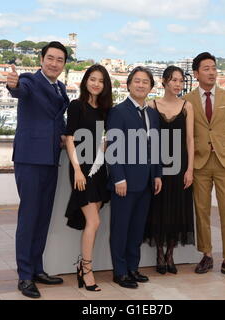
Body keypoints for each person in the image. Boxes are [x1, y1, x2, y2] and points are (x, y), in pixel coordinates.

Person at [6, 41, 70, 298]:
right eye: (50, 58)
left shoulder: (61, 87)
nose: (54, 63)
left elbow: (59, 121)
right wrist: (13, 84)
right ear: (42, 59)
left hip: (50, 159)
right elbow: (20, 89)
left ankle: (37, 268)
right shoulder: (30, 81)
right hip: (30, 159)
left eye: (59, 60)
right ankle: (24, 276)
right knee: (29, 217)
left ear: (64, 65)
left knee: (43, 217)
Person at [183, 52, 225, 281]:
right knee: (202, 211)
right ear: (196, 73)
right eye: (206, 68)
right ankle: (206, 255)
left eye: (214, 67)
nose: (212, 72)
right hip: (199, 163)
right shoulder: (187, 100)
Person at [106, 66, 162, 289]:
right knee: (120, 229)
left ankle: (132, 268)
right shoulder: (118, 112)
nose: (141, 85)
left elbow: (155, 147)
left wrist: (157, 174)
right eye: (137, 81)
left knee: (137, 228)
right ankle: (120, 272)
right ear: (128, 84)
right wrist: (118, 178)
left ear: (150, 87)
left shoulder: (152, 114)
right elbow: (113, 148)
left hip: (147, 182)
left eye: (145, 82)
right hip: (125, 183)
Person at [64, 64, 113, 292]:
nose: (96, 83)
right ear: (85, 81)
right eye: (92, 79)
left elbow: (101, 140)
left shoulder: (104, 110)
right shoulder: (76, 106)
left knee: (91, 223)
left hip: (98, 169)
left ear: (105, 85)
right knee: (94, 222)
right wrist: (77, 170)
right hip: (81, 170)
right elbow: (69, 139)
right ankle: (86, 269)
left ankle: (83, 267)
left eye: (100, 81)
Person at [143, 66, 195, 275]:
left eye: (181, 81)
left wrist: (190, 169)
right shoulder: (151, 105)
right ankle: (159, 255)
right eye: (173, 80)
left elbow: (190, 140)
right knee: (157, 208)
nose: (177, 84)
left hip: (180, 166)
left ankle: (170, 254)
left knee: (177, 209)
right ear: (164, 82)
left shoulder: (187, 106)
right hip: (158, 165)